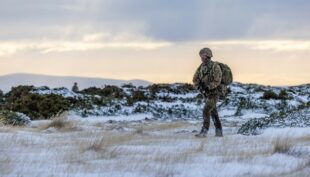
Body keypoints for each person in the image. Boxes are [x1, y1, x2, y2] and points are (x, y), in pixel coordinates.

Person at [193, 48, 223, 137]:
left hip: (214, 93)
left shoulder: (215, 66)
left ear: (207, 55)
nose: (201, 57)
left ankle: (204, 131)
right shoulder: (201, 66)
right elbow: (195, 78)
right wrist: (199, 86)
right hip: (206, 94)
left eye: (202, 55)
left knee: (206, 110)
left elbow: (217, 80)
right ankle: (219, 132)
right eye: (200, 55)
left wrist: (208, 87)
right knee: (213, 112)